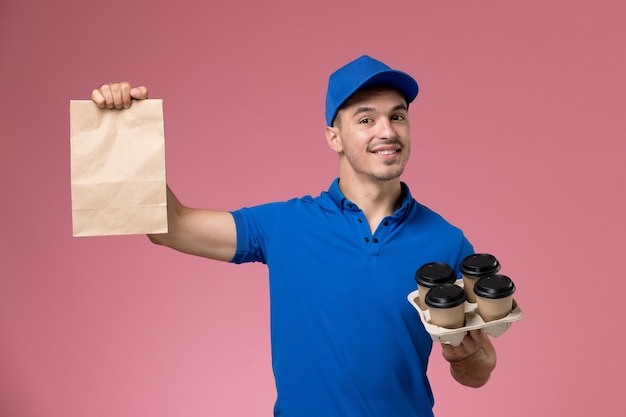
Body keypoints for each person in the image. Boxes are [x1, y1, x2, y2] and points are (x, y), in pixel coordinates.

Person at [91, 55, 497, 417]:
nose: (387, 131)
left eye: (398, 116)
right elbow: (171, 227)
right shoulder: (285, 225)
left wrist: (465, 357)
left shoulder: (447, 241)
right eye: (366, 118)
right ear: (333, 137)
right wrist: (127, 134)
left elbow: (478, 371)